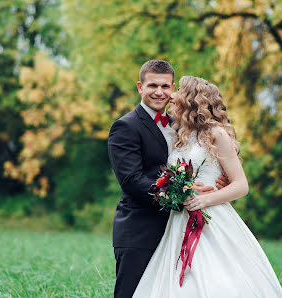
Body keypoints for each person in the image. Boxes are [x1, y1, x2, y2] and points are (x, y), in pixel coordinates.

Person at [133, 76, 282, 297]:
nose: (171, 96)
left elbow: (241, 185)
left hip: (211, 217)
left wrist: (203, 200)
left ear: (192, 99)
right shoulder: (181, 135)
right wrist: (177, 192)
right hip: (178, 220)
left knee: (217, 279)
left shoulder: (216, 134)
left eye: (178, 92)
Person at [108, 61, 228, 298]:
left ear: (173, 88)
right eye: (152, 85)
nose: (159, 92)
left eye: (165, 86)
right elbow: (132, 181)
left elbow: (205, 158)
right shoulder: (125, 126)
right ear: (140, 87)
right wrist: (181, 197)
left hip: (179, 230)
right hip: (140, 231)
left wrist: (217, 182)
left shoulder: (180, 125)